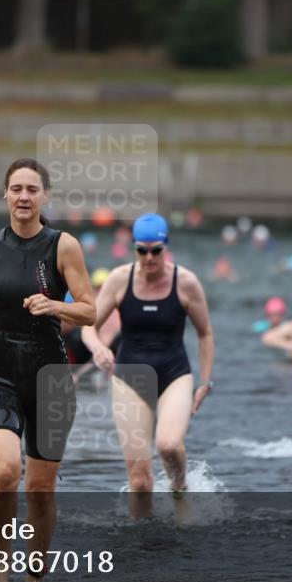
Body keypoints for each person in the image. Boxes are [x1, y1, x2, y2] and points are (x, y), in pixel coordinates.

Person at [0, 158, 95, 582]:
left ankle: (35, 577)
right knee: (4, 470)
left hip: (51, 379)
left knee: (39, 489)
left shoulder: (63, 246)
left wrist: (55, 305)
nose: (23, 197)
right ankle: (2, 559)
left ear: (44, 196)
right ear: (5, 194)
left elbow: (90, 311)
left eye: (32, 189)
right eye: (16, 188)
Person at [81, 213, 214, 504]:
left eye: (156, 250)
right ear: (134, 248)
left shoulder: (186, 282)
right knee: (140, 482)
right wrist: (97, 348)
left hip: (174, 374)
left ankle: (179, 486)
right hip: (129, 376)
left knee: (167, 445)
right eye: (142, 250)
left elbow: (205, 334)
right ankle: (142, 545)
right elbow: (88, 327)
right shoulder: (119, 280)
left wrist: (205, 381)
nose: (149, 257)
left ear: (166, 247)